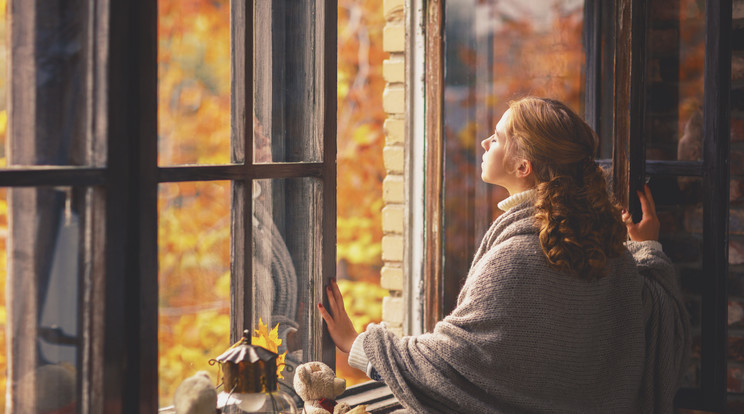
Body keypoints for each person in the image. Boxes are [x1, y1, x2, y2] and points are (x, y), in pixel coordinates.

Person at [319, 97, 690, 413]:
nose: (483, 143)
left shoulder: (517, 259)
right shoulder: (610, 249)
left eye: (495, 138)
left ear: (522, 167)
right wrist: (647, 248)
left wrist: (357, 345)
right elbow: (658, 329)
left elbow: (453, 362)